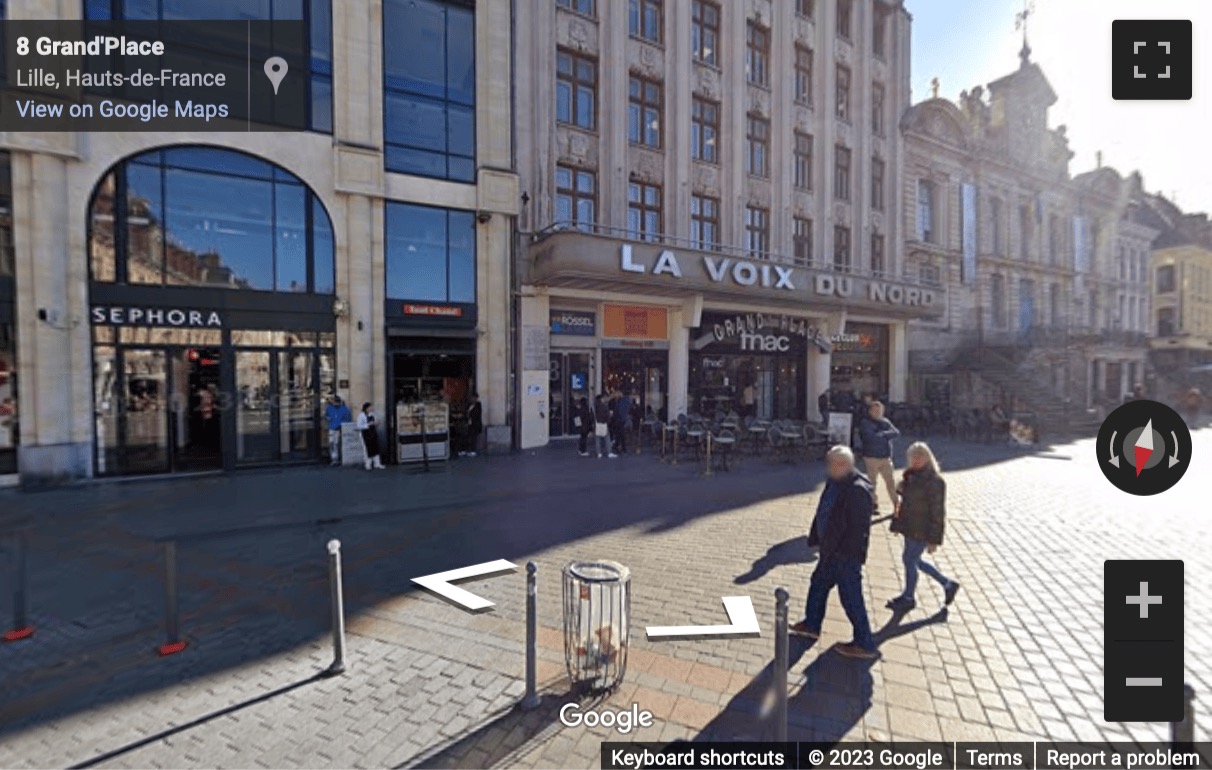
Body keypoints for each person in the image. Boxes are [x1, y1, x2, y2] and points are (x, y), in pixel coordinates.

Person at [789, 446, 877, 659]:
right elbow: (825, 510)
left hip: (845, 554)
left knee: (851, 598)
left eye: (832, 464)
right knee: (818, 583)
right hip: (830, 549)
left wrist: (845, 554)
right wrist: (817, 537)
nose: (828, 468)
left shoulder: (857, 489)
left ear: (843, 465)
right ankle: (812, 624)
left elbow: (857, 530)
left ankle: (865, 643)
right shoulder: (836, 481)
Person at [887, 442, 960, 611]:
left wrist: (934, 539)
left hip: (922, 529)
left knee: (909, 560)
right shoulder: (911, 476)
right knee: (914, 560)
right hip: (910, 527)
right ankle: (947, 584)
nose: (915, 460)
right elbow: (905, 504)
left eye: (920, 456)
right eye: (913, 457)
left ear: (928, 457)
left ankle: (909, 597)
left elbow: (938, 512)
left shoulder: (935, 481)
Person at [858, 401, 900, 516]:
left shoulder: (885, 421)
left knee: (891, 482)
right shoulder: (865, 423)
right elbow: (871, 438)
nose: (878, 413)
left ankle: (897, 505)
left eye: (880, 411)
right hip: (871, 457)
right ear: (870, 411)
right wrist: (885, 436)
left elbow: (896, 432)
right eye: (875, 411)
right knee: (872, 483)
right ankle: (872, 505)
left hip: (886, 457)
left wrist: (883, 434)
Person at [324, 394, 352, 466]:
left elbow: (347, 419)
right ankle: (333, 459)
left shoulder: (344, 409)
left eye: (336, 402)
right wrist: (327, 419)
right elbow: (326, 416)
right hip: (332, 427)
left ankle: (338, 458)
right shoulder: (330, 408)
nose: (335, 403)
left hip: (339, 428)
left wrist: (341, 425)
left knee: (337, 444)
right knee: (332, 443)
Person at [357, 402, 385, 470]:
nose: (372, 408)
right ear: (366, 408)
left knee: (376, 448)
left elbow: (375, 422)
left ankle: (377, 463)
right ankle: (368, 464)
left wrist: (376, 423)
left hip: (373, 433)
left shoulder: (372, 414)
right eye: (370, 407)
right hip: (365, 434)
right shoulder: (361, 415)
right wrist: (368, 424)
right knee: (367, 449)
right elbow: (359, 426)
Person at [461, 393, 483, 457]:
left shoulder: (478, 405)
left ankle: (473, 450)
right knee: (468, 437)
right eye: (471, 398)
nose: (472, 399)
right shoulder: (468, 405)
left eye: (473, 398)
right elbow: (466, 411)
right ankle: (466, 450)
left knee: (474, 437)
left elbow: (477, 414)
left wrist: (469, 415)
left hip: (475, 424)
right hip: (469, 423)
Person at [615, 389, 632, 453]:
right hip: (623, 419)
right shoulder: (627, 401)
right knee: (621, 434)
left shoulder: (621, 401)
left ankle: (619, 446)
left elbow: (620, 410)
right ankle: (622, 447)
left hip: (620, 419)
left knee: (619, 434)